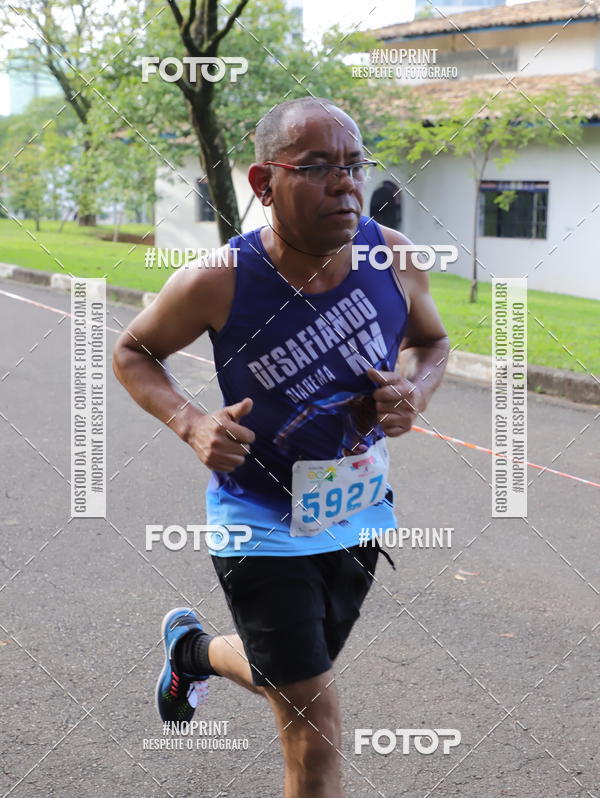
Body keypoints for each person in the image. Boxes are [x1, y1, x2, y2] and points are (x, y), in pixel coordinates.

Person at [113, 96, 449, 798]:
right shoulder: (217, 280)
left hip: (354, 512)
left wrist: (415, 393)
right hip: (259, 523)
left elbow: (432, 343)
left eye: (355, 164)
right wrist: (190, 423)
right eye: (320, 166)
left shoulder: (391, 257)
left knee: (289, 673)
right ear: (265, 184)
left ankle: (193, 654)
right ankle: (202, 656)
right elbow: (134, 352)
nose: (346, 183)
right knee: (314, 721)